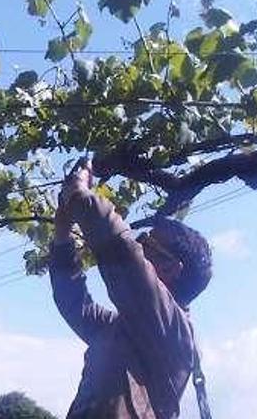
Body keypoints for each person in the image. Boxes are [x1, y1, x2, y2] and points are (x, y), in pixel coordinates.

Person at [50, 160, 212, 418]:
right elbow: (74, 304)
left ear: (171, 268)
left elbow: (122, 252)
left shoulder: (174, 331)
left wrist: (80, 193)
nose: (139, 244)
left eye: (146, 242)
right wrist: (62, 237)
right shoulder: (123, 329)